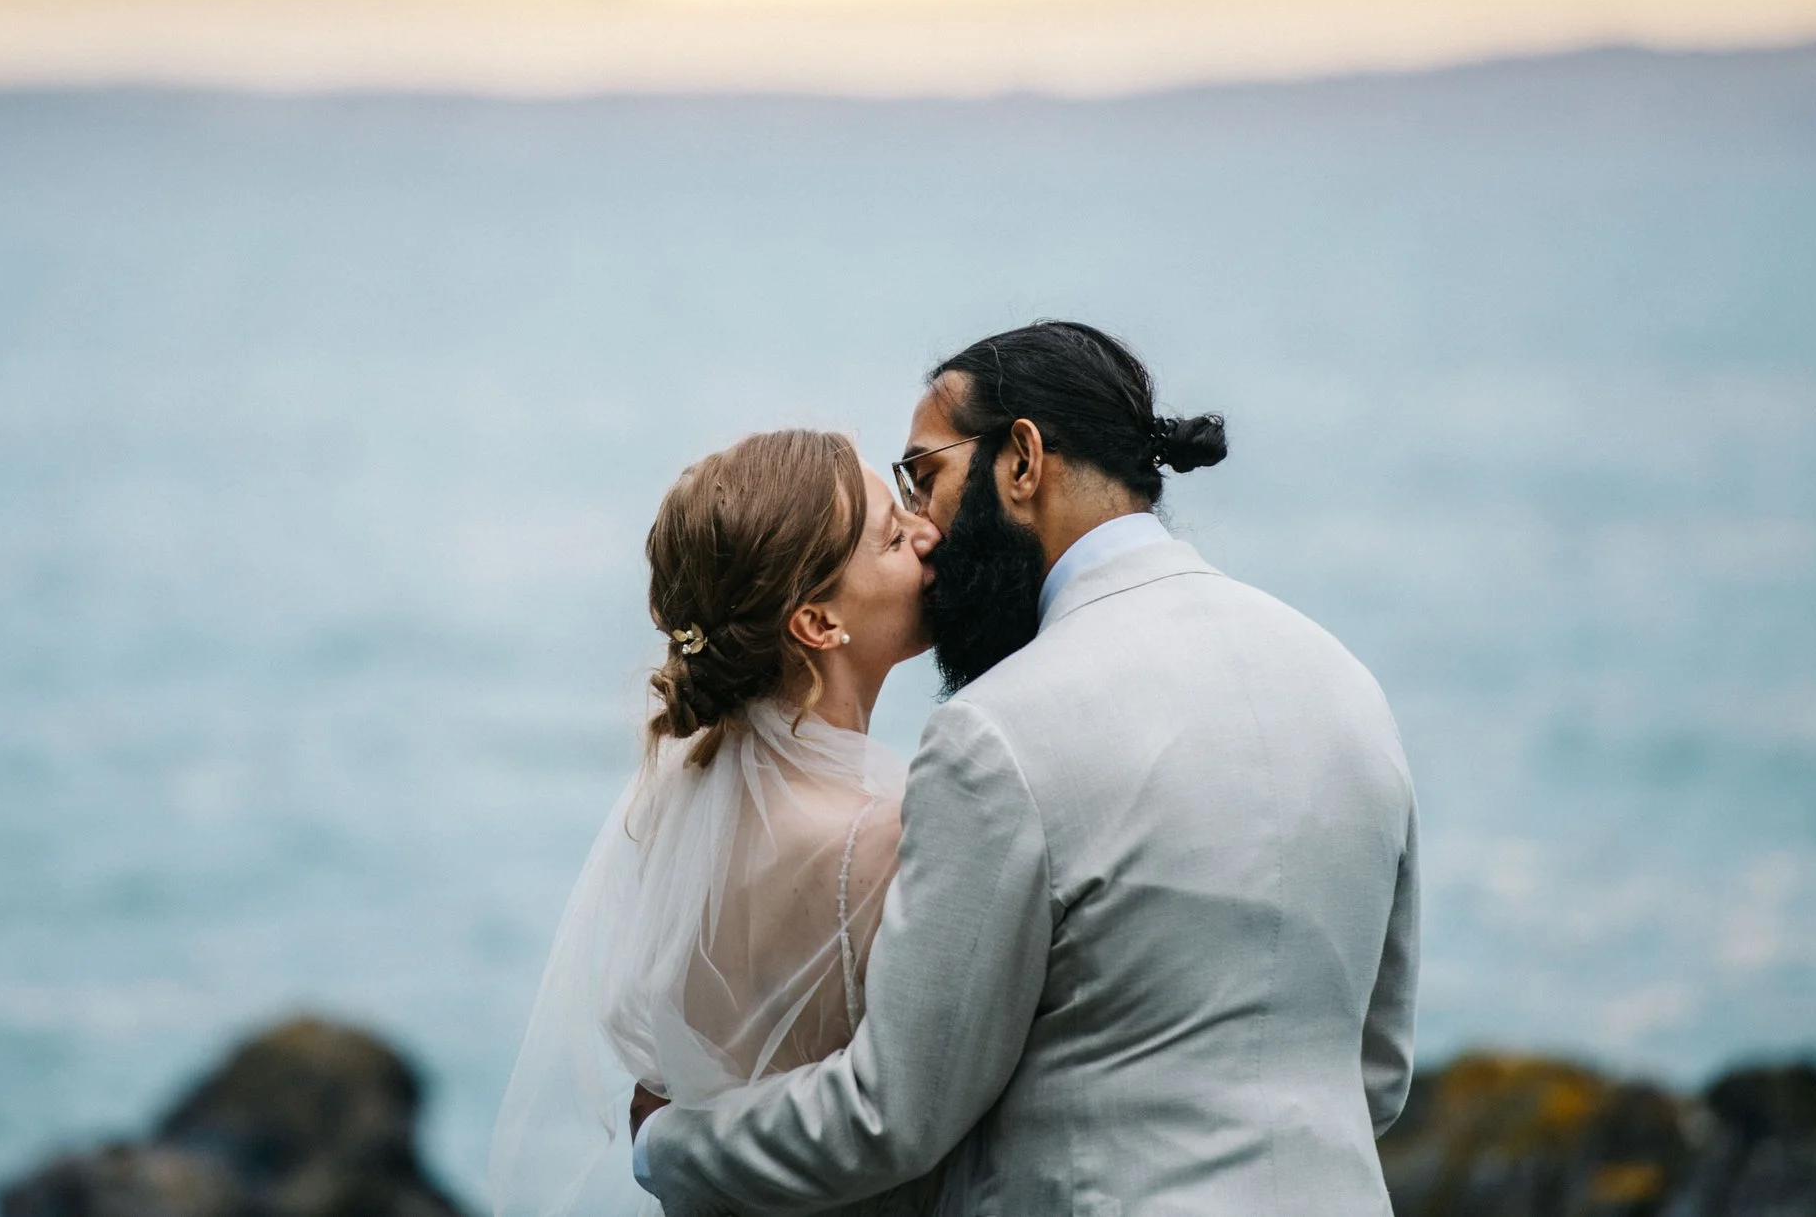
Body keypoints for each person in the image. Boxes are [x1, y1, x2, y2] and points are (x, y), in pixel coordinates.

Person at [632, 320, 1421, 1217]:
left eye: (923, 477)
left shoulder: (998, 732)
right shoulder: (1348, 686)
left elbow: (895, 1114)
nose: (922, 526)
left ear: (1021, 461)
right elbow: (1379, 1071)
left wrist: (669, 1144)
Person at [489, 428, 945, 1217]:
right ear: (816, 622)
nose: (929, 531)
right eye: (894, 536)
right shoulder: (882, 834)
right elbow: (916, 1105)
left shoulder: (689, 792)